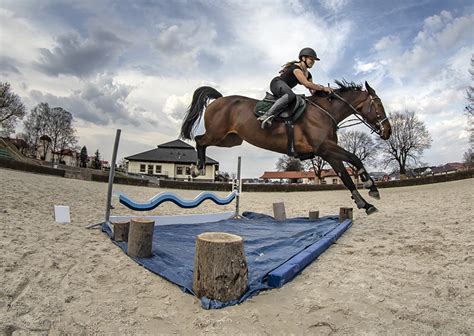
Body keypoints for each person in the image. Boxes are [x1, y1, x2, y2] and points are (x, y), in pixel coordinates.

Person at [258, 47, 333, 128]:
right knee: (291, 95)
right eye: (311, 59)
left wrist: (325, 93)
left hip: (285, 89)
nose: (313, 62)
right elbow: (307, 84)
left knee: (297, 99)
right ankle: (266, 115)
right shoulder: (296, 68)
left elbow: (312, 90)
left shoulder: (309, 75)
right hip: (276, 83)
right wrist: (322, 88)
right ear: (303, 58)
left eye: (314, 61)